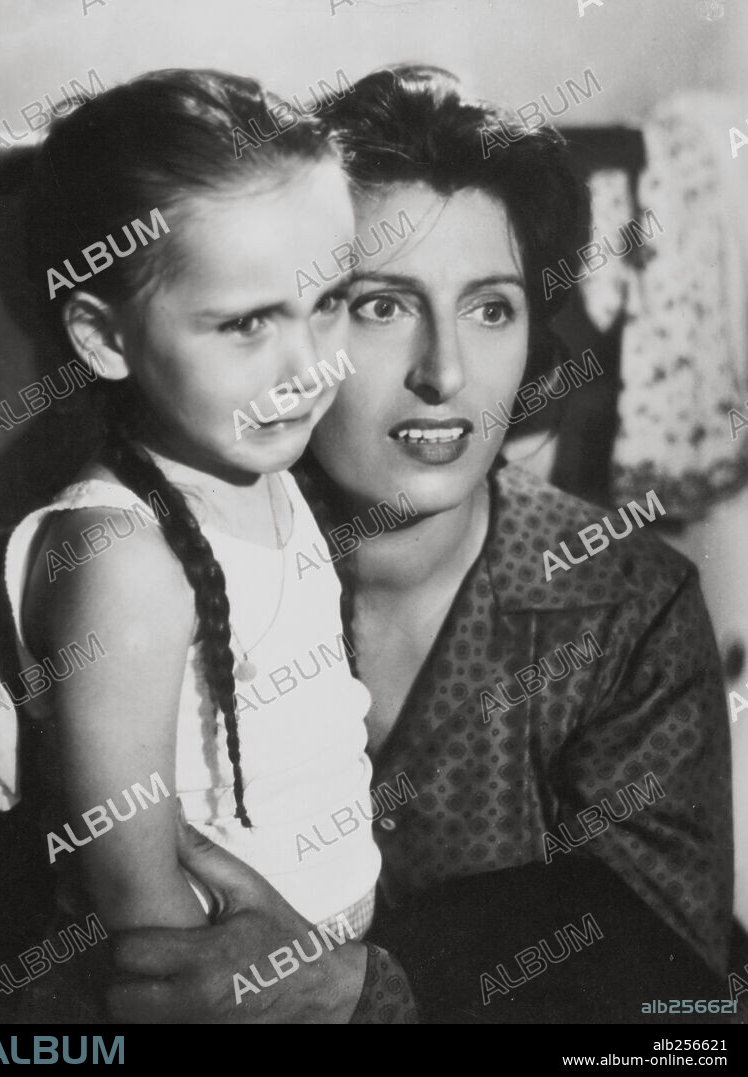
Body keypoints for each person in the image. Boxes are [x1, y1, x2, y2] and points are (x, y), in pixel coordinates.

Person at [106, 65, 733, 1024]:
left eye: (491, 308)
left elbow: (682, 1022)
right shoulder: (153, 569)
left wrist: (367, 986)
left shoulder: (628, 609)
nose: (444, 372)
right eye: (380, 305)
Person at [0, 68, 387, 1018]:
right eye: (248, 322)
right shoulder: (121, 561)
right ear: (102, 337)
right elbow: (141, 910)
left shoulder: (267, 476)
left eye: (329, 300)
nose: (309, 368)